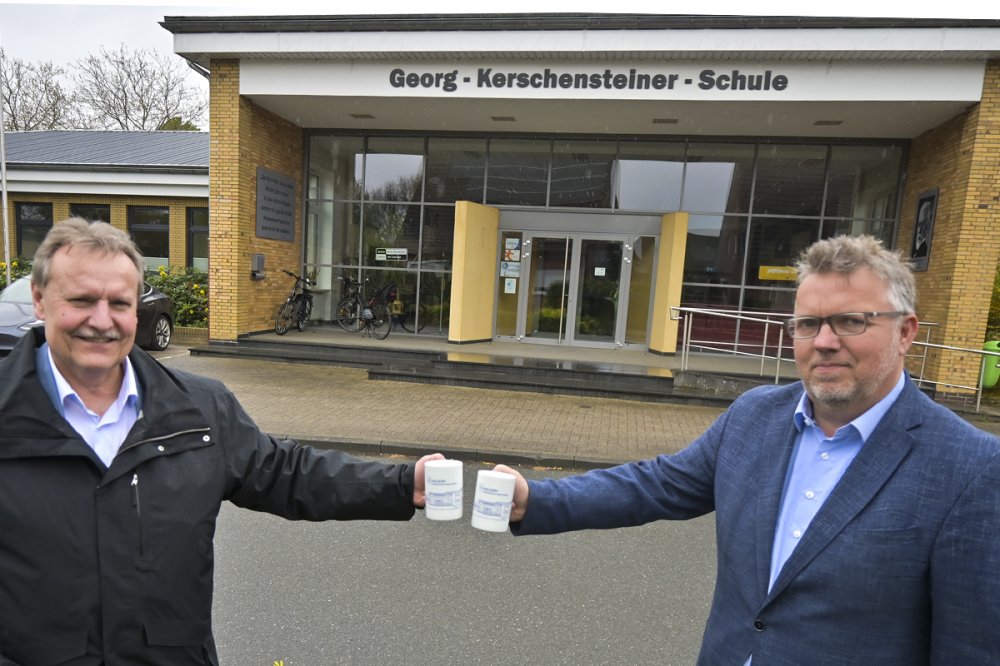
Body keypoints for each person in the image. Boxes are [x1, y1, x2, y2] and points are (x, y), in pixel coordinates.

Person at [496, 234, 1000, 664]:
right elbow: (659, 484)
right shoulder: (756, 414)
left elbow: (970, 649)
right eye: (807, 324)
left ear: (905, 332)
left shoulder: (970, 467)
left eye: (851, 321)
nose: (823, 341)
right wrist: (536, 500)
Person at [0, 217, 442, 665]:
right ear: (40, 300)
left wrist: (403, 483)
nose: (102, 321)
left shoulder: (199, 409)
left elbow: (287, 473)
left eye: (119, 302)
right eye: (81, 300)